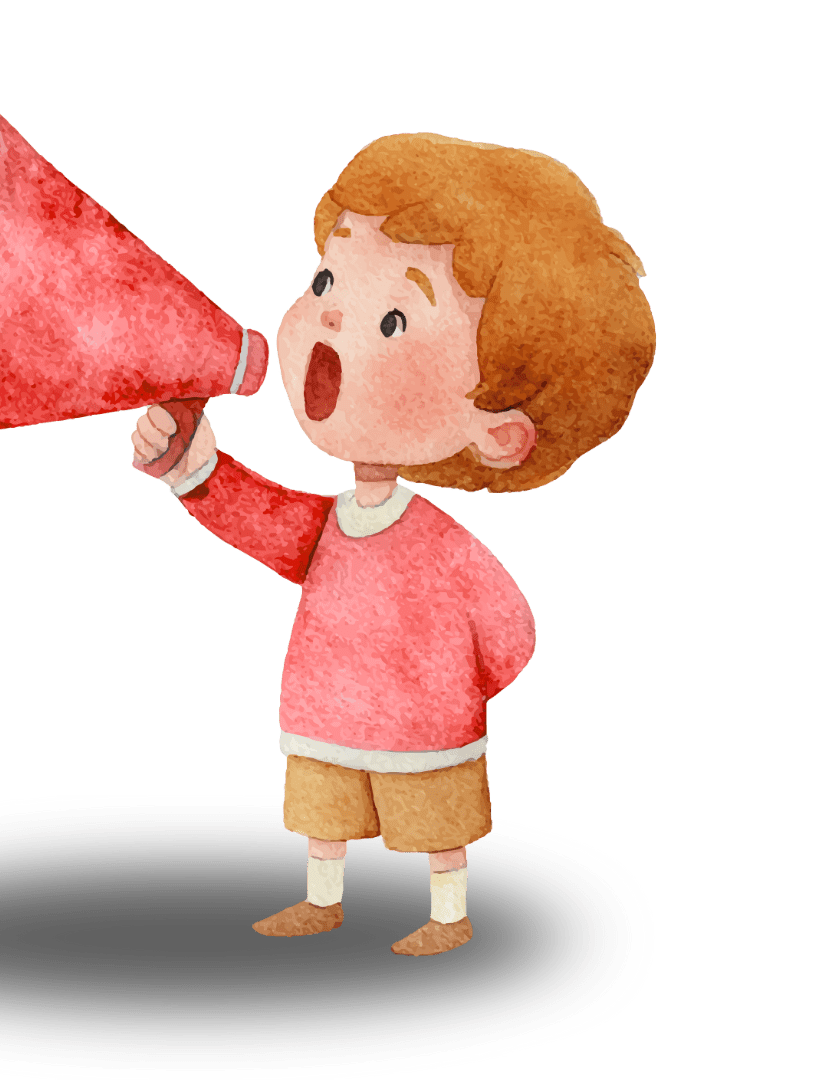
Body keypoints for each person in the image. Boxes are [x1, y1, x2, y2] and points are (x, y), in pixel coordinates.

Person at [130, 133, 654, 957]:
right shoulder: (334, 521)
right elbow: (264, 519)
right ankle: (322, 900)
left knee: (435, 820)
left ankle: (449, 915)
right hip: (323, 716)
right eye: (326, 280)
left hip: (425, 729)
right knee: (324, 810)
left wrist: (440, 689)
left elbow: (511, 636)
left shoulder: (444, 545)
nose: (331, 314)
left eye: (395, 317)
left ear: (497, 435)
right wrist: (194, 466)